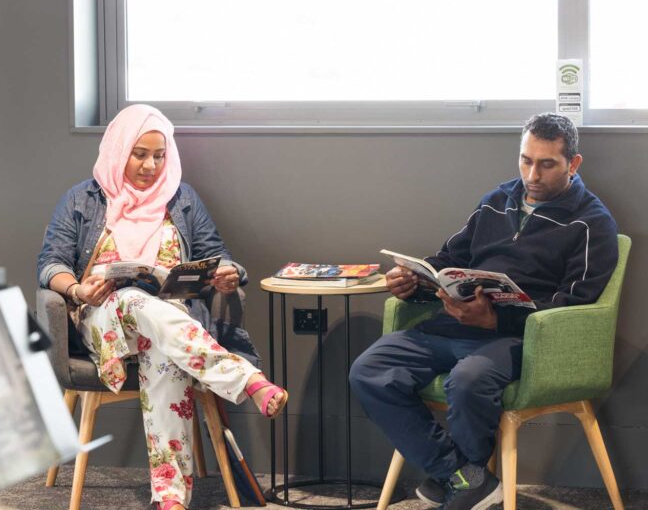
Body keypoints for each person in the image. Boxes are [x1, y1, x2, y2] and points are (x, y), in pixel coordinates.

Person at [349, 113, 618, 510]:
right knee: (369, 370)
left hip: (517, 339)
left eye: (547, 164)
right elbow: (448, 258)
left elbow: (574, 305)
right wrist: (413, 283)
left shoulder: (592, 222)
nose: (533, 174)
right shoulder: (495, 202)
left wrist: (496, 320)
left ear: (573, 164)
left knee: (469, 379)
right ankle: (463, 476)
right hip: (452, 327)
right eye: (526, 160)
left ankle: (458, 482)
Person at [37, 104, 287, 510]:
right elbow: (50, 265)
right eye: (140, 154)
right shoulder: (82, 199)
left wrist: (227, 273)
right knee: (134, 299)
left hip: (172, 325)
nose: (151, 166)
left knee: (165, 351)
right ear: (119, 149)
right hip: (104, 319)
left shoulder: (181, 198)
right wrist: (80, 291)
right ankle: (243, 378)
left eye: (159, 155)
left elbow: (216, 255)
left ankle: (169, 500)